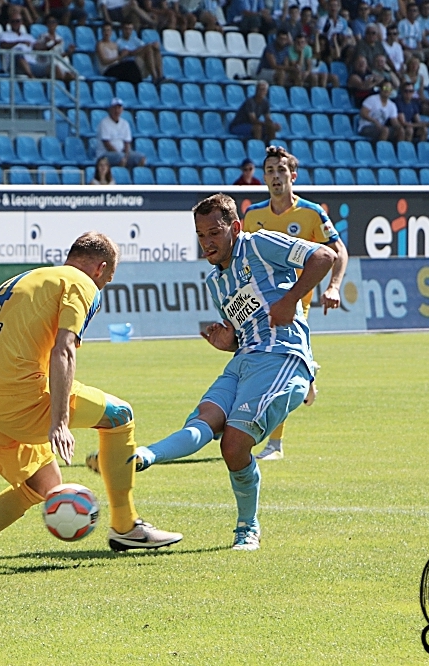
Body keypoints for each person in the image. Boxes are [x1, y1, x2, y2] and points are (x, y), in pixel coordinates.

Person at [0, 233, 183, 567]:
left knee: (44, 483)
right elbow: (62, 349)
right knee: (120, 415)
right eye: (108, 279)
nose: (104, 285)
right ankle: (125, 527)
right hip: (18, 395)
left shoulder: (23, 279)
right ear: (101, 268)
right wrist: (59, 422)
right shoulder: (81, 283)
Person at [103, 194, 336, 551]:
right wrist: (227, 341)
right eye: (200, 235)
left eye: (214, 232)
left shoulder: (259, 244)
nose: (207, 242)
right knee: (204, 420)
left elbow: (324, 256)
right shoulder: (215, 281)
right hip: (244, 359)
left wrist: (290, 300)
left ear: (235, 228)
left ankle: (248, 528)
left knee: (233, 444)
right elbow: (243, 332)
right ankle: (143, 457)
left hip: (281, 353)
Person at [237, 145, 347, 461]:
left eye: (281, 170)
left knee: (275, 369)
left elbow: (338, 250)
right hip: (259, 305)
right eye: (269, 171)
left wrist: (334, 286)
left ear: (292, 175)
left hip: (297, 303)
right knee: (257, 367)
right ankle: (306, 370)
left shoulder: (312, 213)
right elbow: (242, 261)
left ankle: (275, 444)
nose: (275, 176)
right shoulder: (253, 215)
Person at [97, 98, 146, 168]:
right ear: (110, 109)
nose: (116, 110)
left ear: (122, 109)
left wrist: (126, 155)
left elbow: (127, 143)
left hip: (122, 153)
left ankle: (134, 176)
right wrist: (120, 155)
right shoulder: (104, 123)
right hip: (106, 154)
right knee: (121, 158)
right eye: (114, 108)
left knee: (141, 158)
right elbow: (106, 143)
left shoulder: (125, 123)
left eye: (119, 108)